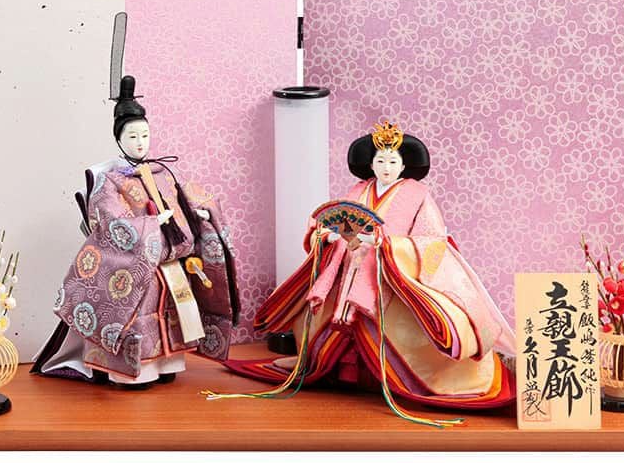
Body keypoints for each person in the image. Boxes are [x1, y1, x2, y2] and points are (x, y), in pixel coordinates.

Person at [213, 122, 515, 424]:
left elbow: (431, 241)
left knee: (400, 329)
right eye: (380, 161)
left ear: (404, 165)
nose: (386, 167)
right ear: (370, 164)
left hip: (391, 276)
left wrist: (387, 245)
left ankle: (400, 378)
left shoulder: (417, 195)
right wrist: (329, 236)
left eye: (393, 161)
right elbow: (331, 225)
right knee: (325, 318)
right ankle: (348, 375)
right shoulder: (359, 191)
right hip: (349, 269)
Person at [33, 75, 240, 386]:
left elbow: (185, 199)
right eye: (132, 136)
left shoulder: (162, 173)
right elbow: (110, 220)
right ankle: (136, 373)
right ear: (119, 139)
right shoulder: (111, 180)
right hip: (137, 265)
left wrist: (199, 213)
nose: (140, 142)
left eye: (145, 135)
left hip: (169, 263)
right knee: (139, 311)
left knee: (172, 311)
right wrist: (152, 224)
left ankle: (168, 363)